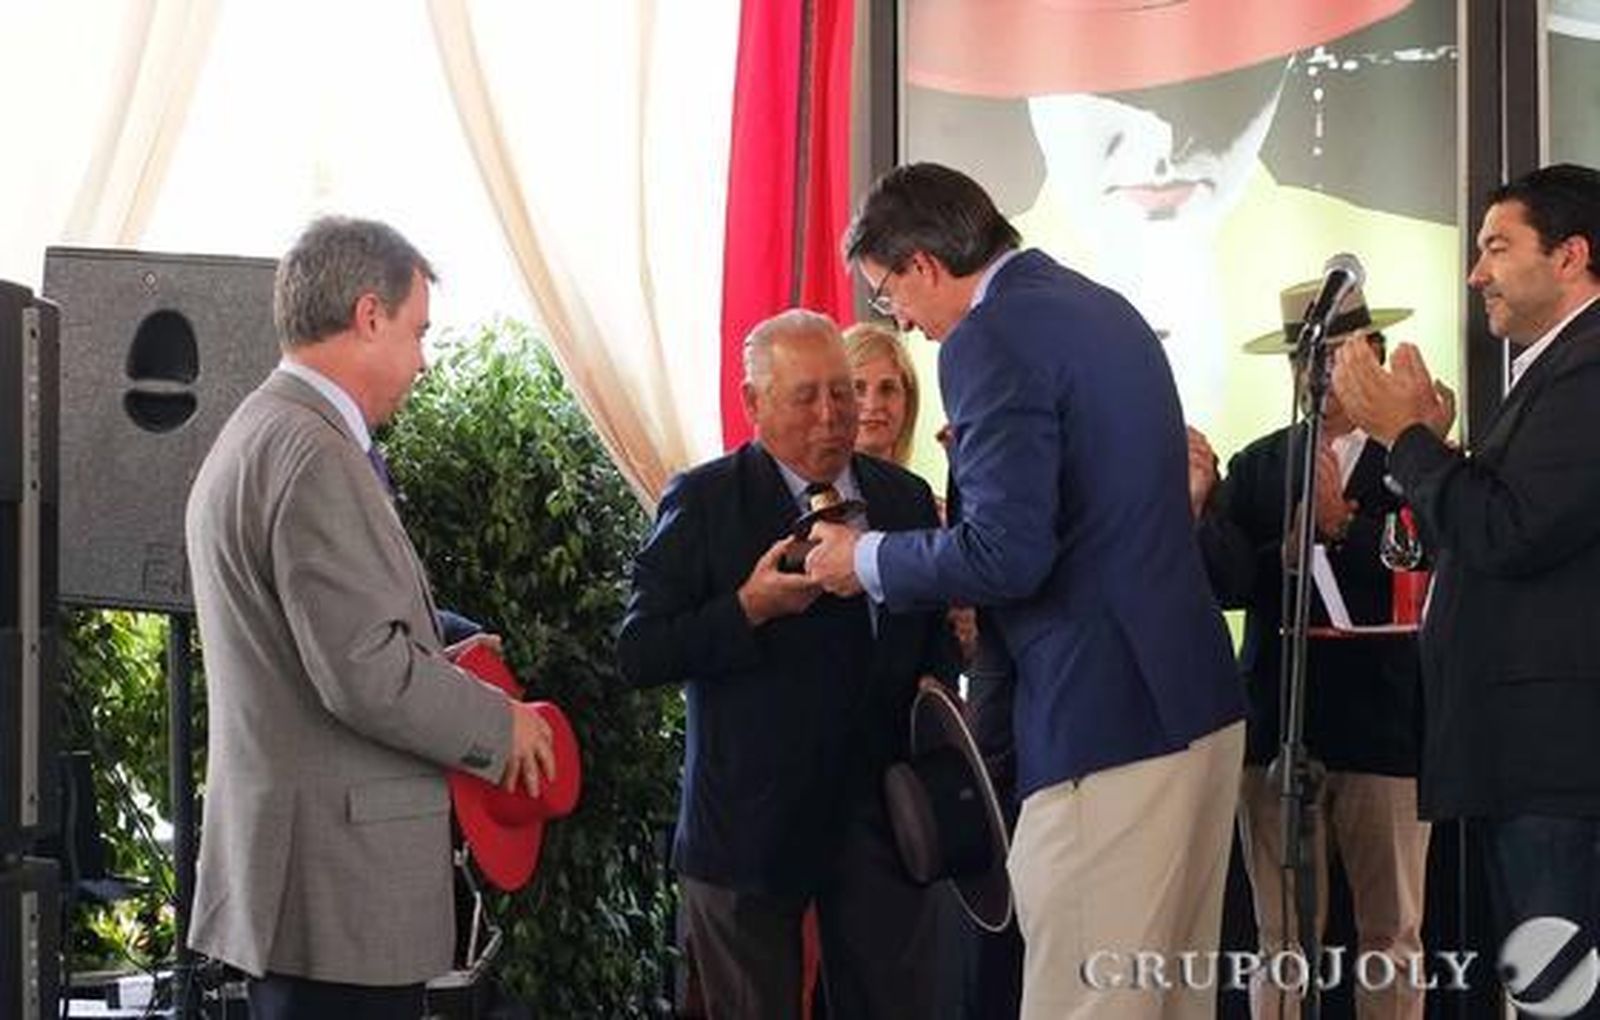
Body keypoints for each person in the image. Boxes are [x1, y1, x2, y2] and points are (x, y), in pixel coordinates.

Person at [806, 162, 1245, 1020]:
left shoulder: (989, 337)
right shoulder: (1100, 306)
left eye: (887, 292)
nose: (897, 317)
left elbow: (1007, 555)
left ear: (924, 266)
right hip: (1194, 704)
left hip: (1104, 722)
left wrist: (862, 560)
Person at [184, 216, 557, 1020]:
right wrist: (502, 727)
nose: (424, 361)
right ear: (368, 315)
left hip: (303, 880)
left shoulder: (261, 430)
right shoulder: (316, 455)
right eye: (419, 332)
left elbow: (317, 632)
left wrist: (442, 641)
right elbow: (365, 674)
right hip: (338, 886)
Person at [904, 0, 1459, 453]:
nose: (1163, 144)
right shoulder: (957, 328)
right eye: (1107, 89)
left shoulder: (1436, 264)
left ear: (1285, 64)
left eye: (1216, 82)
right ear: (1027, 85)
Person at [617, 309, 956, 1020]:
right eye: (808, 396)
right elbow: (640, 650)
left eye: (843, 392)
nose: (836, 415)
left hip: (879, 822)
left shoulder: (901, 499)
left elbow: (928, 645)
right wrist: (748, 608)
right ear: (754, 402)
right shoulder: (704, 500)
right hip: (747, 830)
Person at [1331, 163, 1600, 1017]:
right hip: (1520, 757)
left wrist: (1406, 437)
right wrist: (1435, 454)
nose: (1475, 272)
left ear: (1572, 257)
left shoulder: (1589, 366)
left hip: (1557, 765)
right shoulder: (1550, 367)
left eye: (1496, 246)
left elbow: (1510, 530)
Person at [1199, 281, 1445, 1020]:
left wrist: (1343, 530)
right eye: (1305, 360)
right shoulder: (1263, 461)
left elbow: (1433, 562)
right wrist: (1199, 508)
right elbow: (1225, 583)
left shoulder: (1419, 459)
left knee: (1392, 931)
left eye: (1334, 354)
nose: (1320, 375)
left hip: (1388, 729)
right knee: (1280, 939)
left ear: (1369, 353)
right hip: (1279, 725)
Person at [844, 321, 920, 466]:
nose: (872, 405)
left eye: (887, 388)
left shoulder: (918, 488)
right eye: (857, 389)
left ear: (908, 402)